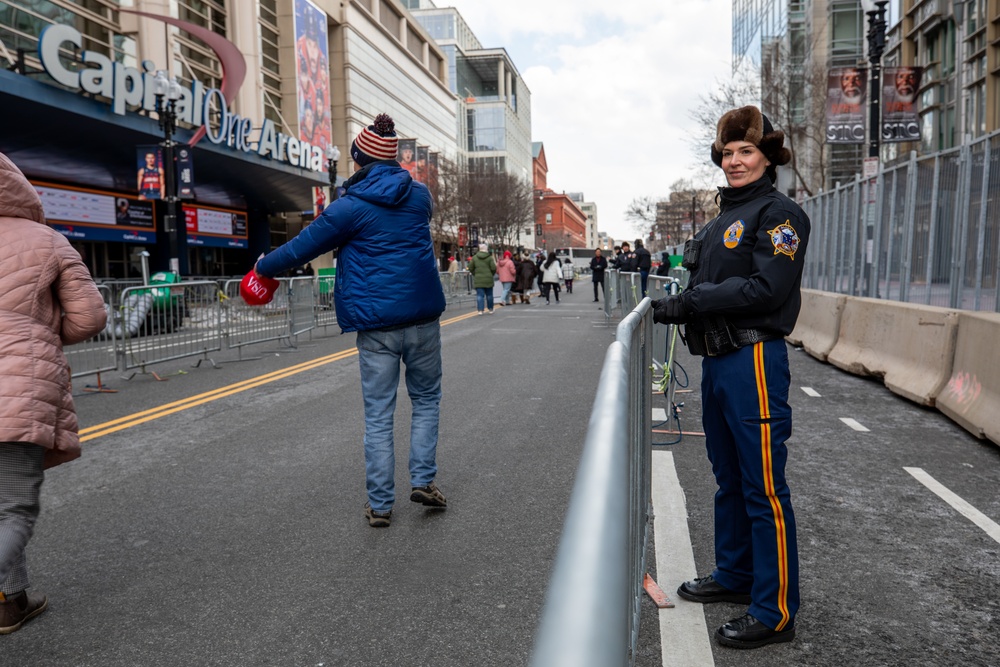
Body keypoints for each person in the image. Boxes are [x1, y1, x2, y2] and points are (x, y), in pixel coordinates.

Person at [650, 105, 809, 650]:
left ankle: (775, 609)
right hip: (717, 363)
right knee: (729, 481)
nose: (735, 161)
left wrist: (690, 301)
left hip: (754, 361)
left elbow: (766, 290)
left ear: (768, 156)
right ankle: (737, 575)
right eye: (728, 152)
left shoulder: (780, 214)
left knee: (764, 487)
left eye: (747, 151)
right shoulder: (721, 219)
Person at [252, 113, 448, 528]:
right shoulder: (420, 196)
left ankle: (380, 505)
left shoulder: (350, 208)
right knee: (426, 400)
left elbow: (301, 248)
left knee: (379, 413)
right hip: (424, 316)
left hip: (377, 323)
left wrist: (263, 267)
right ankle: (424, 481)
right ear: (394, 159)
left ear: (357, 160)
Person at [0, 151, 108, 633]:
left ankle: (11, 601)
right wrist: (36, 333)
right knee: (12, 505)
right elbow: (89, 317)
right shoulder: (47, 240)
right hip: (21, 382)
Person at [468, 243, 497, 314]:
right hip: (488, 278)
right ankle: (490, 309)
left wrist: (475, 273)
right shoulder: (490, 258)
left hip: (478, 279)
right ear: (486, 249)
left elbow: (470, 267)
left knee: (480, 295)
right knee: (489, 295)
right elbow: (493, 268)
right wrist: (491, 274)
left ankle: (480, 310)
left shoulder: (474, 257)